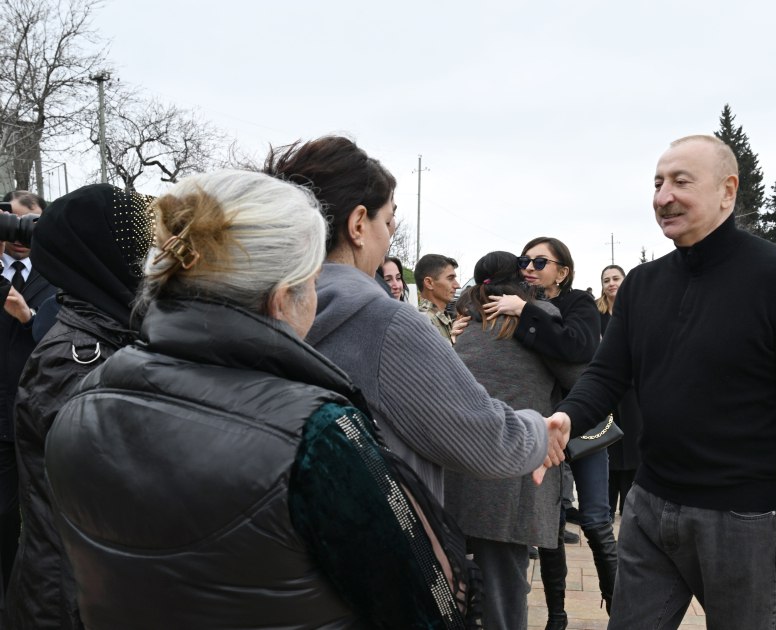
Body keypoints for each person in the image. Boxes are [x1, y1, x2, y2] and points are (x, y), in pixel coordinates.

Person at [44, 170, 482, 628]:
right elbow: (423, 607)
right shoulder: (317, 434)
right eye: (313, 281)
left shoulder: (84, 400)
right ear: (281, 298)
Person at [549, 135, 776, 629]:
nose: (663, 196)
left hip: (741, 521)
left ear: (727, 191)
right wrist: (567, 417)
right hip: (649, 508)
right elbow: (606, 373)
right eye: (657, 183)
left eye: (680, 181)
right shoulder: (642, 284)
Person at [262, 136, 567, 504]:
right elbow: (486, 438)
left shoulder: (264, 309)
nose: (390, 234)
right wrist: (540, 431)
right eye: (388, 220)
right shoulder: (383, 322)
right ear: (358, 225)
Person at [2, 185, 155, 629]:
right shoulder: (78, 360)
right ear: (104, 253)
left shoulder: (110, 330)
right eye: (141, 245)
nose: (153, 260)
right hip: (73, 603)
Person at [446, 251, 583, 630]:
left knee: (454, 584)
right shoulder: (539, 318)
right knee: (504, 591)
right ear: (521, 281)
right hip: (513, 468)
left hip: (456, 469)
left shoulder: (464, 322)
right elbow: (579, 377)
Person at [484, 236, 614, 628]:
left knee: (595, 521)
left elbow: (577, 349)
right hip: (544, 429)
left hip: (583, 426)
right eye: (524, 260)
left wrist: (525, 312)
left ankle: (620, 609)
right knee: (551, 528)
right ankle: (556, 617)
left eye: (540, 262)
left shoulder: (578, 304)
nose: (529, 267)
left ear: (563, 271)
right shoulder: (516, 302)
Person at [0, 191, 56, 601]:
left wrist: (29, 316)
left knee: (46, 518)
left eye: (31, 225)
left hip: (42, 414)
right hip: (1, 419)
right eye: (12, 223)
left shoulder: (59, 274)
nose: (20, 236)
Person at [595, 264, 642, 518]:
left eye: (616, 278)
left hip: (633, 389)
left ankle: (630, 505)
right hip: (607, 389)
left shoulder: (637, 309)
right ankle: (607, 506)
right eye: (606, 280)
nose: (611, 283)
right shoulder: (596, 314)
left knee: (633, 448)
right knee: (609, 446)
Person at [415, 253, 460, 342]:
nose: (457, 285)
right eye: (450, 278)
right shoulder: (423, 321)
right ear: (429, 283)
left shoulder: (440, 316)